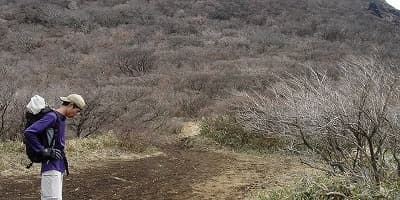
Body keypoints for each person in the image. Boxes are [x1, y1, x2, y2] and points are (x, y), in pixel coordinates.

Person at [24, 94, 85, 200]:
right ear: (71, 105)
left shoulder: (60, 118)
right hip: (51, 165)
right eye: (77, 111)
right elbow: (29, 132)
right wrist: (43, 150)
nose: (76, 114)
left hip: (57, 165)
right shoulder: (52, 117)